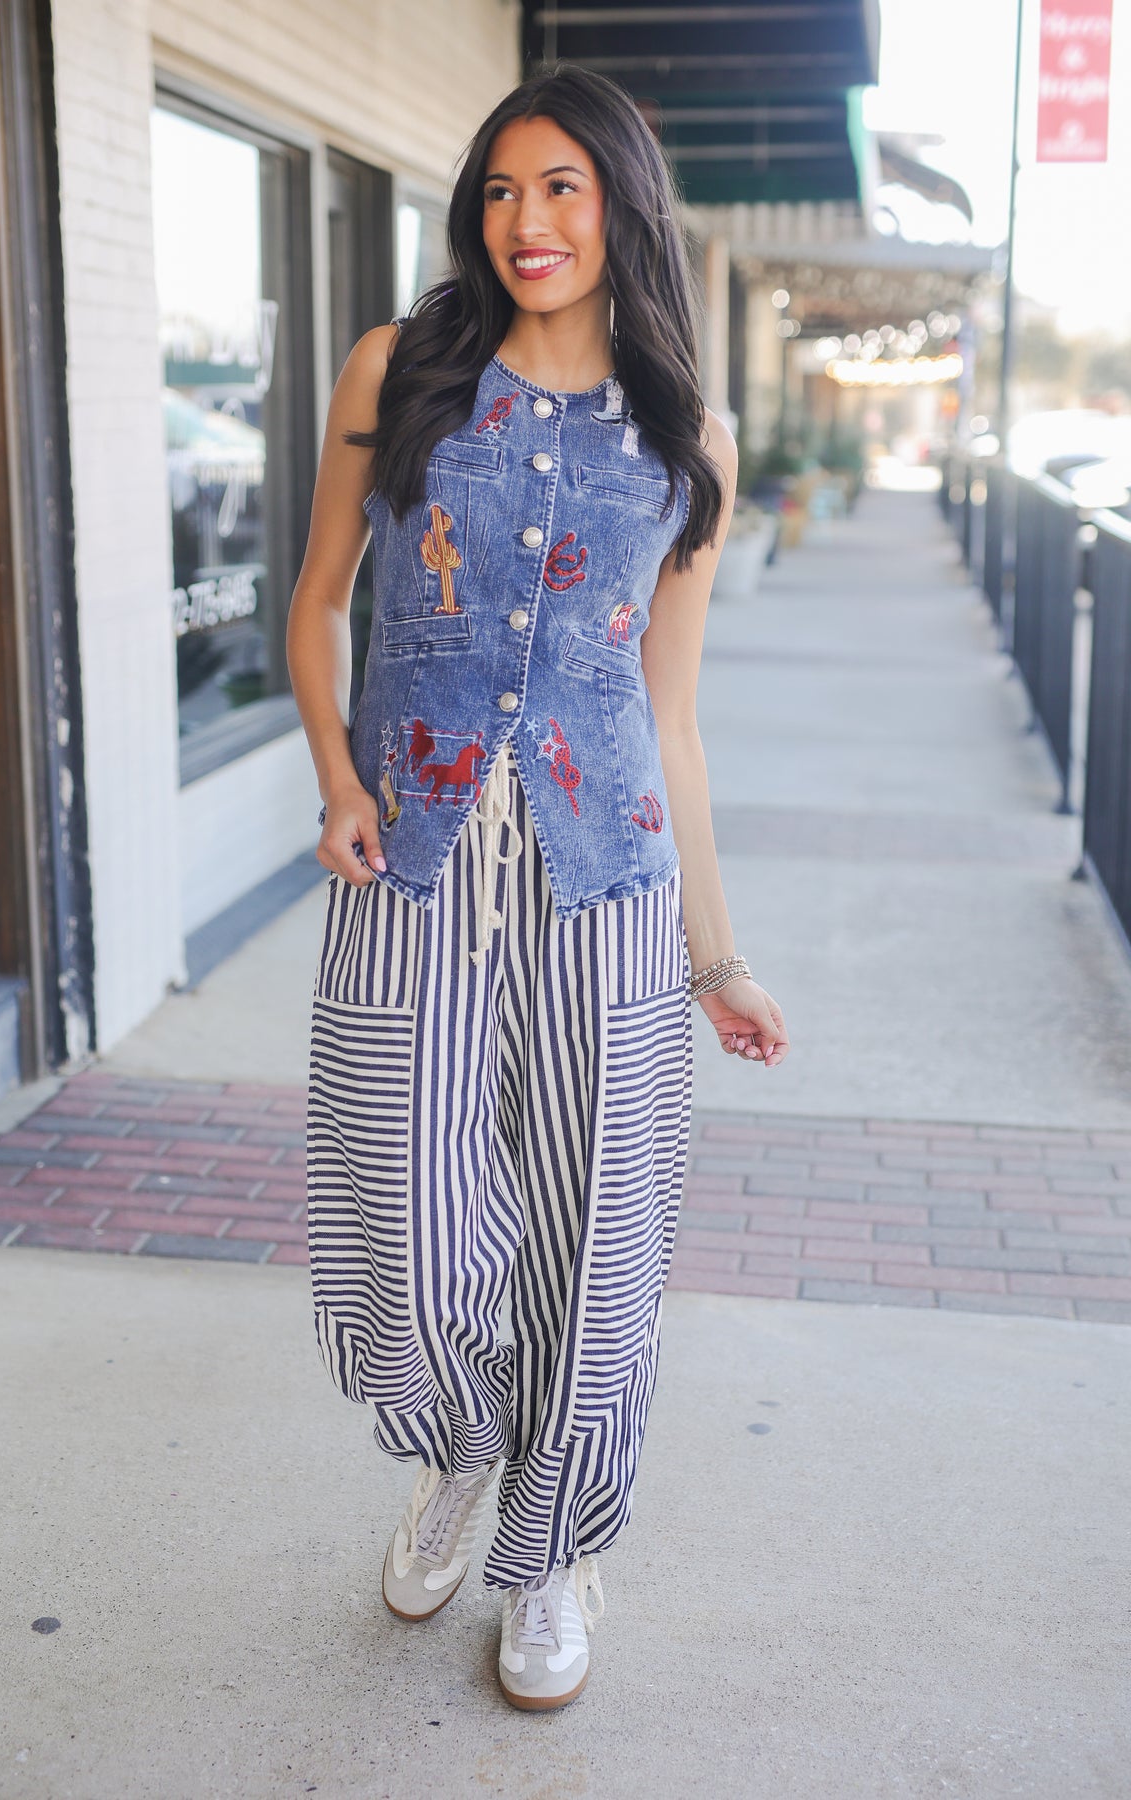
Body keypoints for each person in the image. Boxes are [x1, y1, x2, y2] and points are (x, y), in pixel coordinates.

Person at [286, 62, 790, 1712]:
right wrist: (340, 782)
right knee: (410, 1222)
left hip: (610, 889)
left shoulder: (683, 435)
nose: (529, 221)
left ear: (622, 203)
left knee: (597, 1237)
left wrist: (717, 960)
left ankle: (554, 1548)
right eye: (504, 189)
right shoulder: (400, 367)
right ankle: (459, 1452)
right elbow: (314, 609)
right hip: (412, 866)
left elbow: (675, 720)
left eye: (564, 187)